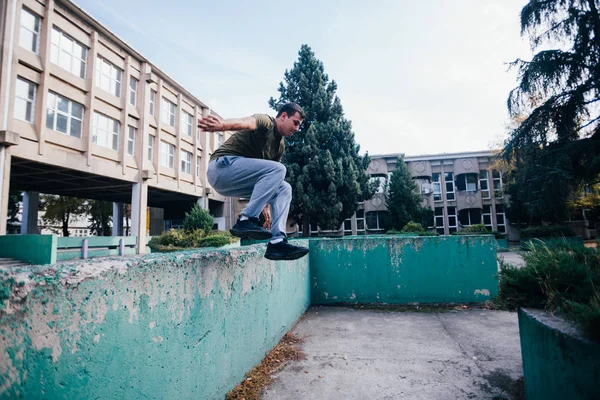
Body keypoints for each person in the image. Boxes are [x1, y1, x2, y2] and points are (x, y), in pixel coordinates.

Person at [198, 102, 309, 261]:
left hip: (234, 182)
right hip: (222, 168)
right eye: (296, 123)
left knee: (284, 188)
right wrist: (222, 125)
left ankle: (277, 241)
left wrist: (265, 206)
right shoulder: (266, 122)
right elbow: (246, 122)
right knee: (279, 169)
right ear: (284, 116)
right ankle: (246, 219)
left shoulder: (279, 147)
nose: (297, 129)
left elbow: (269, 181)